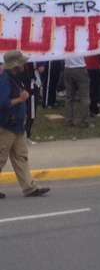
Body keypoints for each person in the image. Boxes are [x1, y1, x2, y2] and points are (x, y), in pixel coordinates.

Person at [0, 51, 50, 198]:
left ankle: (29, 188)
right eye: (21, 63)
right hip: (7, 125)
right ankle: (29, 187)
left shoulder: (14, 77)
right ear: (15, 65)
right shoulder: (5, 80)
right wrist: (20, 99)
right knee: (1, 157)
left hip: (16, 126)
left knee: (21, 156)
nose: (24, 65)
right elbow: (2, 103)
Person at [63, 56, 89, 128]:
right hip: (80, 67)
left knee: (69, 97)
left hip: (68, 67)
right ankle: (84, 121)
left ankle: (69, 120)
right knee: (84, 97)